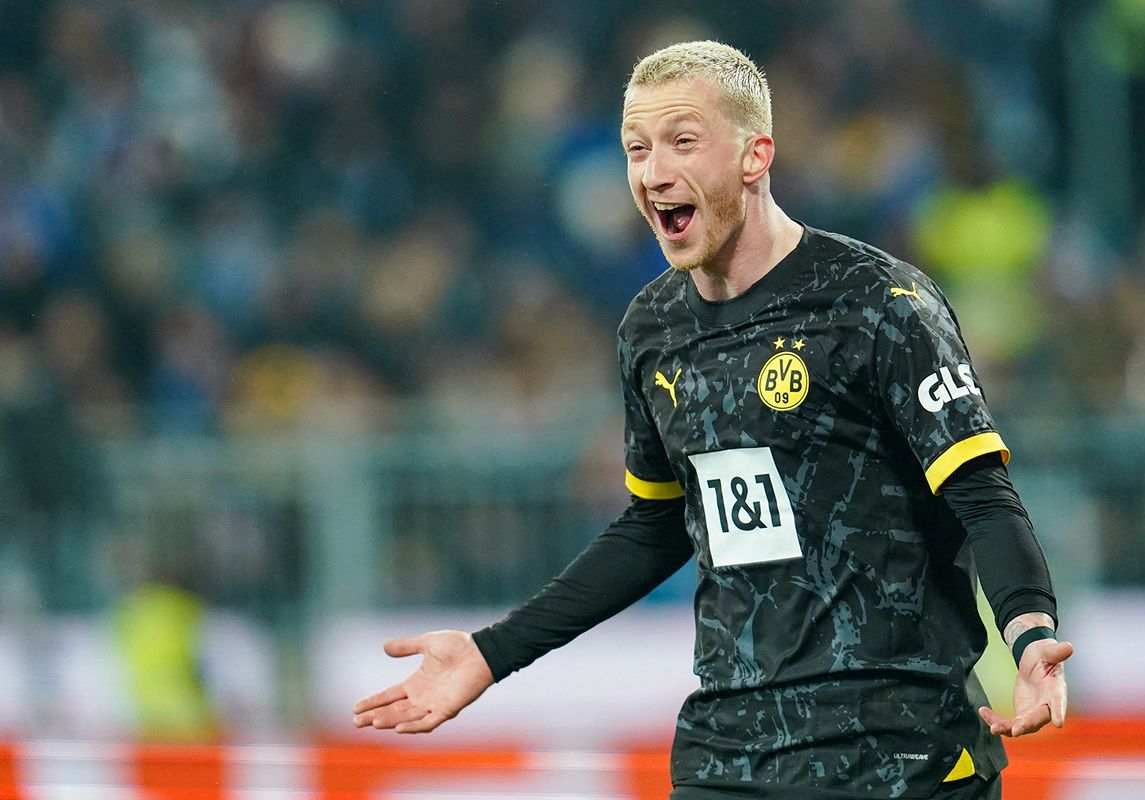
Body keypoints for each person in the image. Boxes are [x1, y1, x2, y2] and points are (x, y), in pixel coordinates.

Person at [352, 40, 1072, 799]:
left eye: (682, 141)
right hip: (727, 757)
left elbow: (982, 496)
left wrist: (1028, 638)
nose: (653, 172)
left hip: (898, 754)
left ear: (755, 155)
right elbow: (656, 525)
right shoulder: (652, 328)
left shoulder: (876, 303)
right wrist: (493, 652)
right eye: (637, 149)